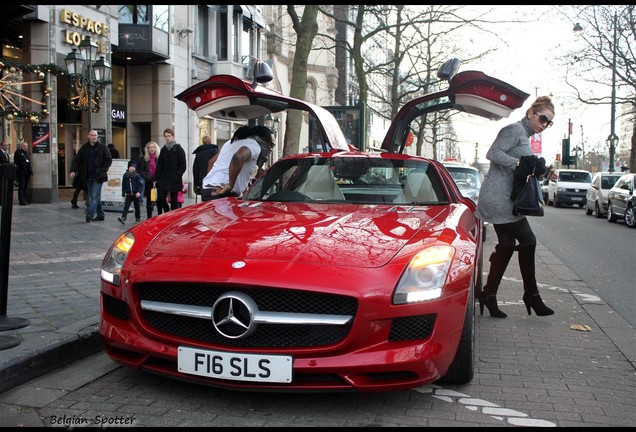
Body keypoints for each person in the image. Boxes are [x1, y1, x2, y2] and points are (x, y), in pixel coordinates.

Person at [475, 95, 555, 318]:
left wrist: (537, 169)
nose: (545, 125)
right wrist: (519, 164)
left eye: (549, 122)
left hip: (505, 198)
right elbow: (492, 153)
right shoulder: (514, 130)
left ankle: (489, 295)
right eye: (543, 118)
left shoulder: (524, 136)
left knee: (508, 244)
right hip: (498, 198)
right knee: (528, 241)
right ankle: (532, 296)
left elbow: (523, 167)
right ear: (531, 113)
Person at [201, 125, 275, 201]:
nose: (271, 149)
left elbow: (211, 162)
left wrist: (213, 182)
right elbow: (238, 157)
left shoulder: (231, 142)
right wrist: (230, 186)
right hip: (224, 193)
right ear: (263, 140)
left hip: (208, 189)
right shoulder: (254, 145)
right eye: (271, 145)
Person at [70, 130, 112, 223]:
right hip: (88, 177)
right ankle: (101, 215)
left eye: (95, 135)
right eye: (92, 135)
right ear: (88, 136)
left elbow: (108, 160)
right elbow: (77, 160)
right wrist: (73, 170)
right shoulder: (84, 148)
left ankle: (89, 214)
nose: (94, 137)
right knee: (95, 197)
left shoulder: (103, 148)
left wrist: (103, 170)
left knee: (94, 196)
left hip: (98, 177)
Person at [154, 128, 186, 214]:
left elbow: (183, 165)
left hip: (174, 178)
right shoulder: (164, 150)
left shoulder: (179, 149)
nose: (167, 138)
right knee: (161, 197)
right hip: (163, 178)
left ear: (173, 136)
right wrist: (155, 177)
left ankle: (172, 215)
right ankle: (167, 212)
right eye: (166, 136)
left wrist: (178, 175)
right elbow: (159, 165)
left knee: (174, 200)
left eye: (169, 136)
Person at [138, 141, 160, 219]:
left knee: (159, 199)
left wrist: (157, 178)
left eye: (153, 147)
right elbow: (141, 170)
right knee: (149, 200)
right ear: (147, 149)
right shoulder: (144, 158)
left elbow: (161, 169)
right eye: (150, 147)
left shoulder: (159, 158)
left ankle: (159, 216)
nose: (151, 149)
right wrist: (148, 178)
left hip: (158, 182)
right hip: (149, 182)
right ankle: (149, 217)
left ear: (156, 148)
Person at [118, 160, 144, 225]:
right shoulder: (125, 175)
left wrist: (139, 192)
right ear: (128, 167)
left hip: (135, 194)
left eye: (134, 167)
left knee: (137, 207)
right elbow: (123, 185)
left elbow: (140, 185)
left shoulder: (137, 176)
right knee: (126, 206)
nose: (132, 168)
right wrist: (123, 193)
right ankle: (123, 218)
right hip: (129, 194)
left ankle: (138, 218)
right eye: (131, 166)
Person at [13, 140, 33, 206]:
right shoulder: (18, 153)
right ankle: (21, 201)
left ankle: (24, 199)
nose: (25, 147)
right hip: (21, 173)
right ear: (21, 146)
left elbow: (28, 163)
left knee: (25, 187)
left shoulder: (26, 153)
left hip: (27, 173)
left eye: (26, 146)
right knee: (21, 187)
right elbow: (16, 162)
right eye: (24, 146)